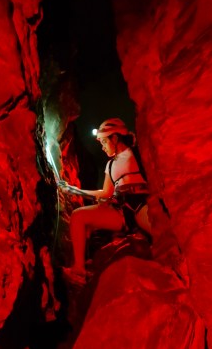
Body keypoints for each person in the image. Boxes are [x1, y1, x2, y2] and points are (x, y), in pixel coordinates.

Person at [58, 118, 151, 283]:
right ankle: (79, 269)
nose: (102, 147)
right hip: (121, 210)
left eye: (103, 141)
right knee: (78, 216)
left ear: (114, 138)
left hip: (141, 204)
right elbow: (105, 192)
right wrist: (73, 190)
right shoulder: (109, 165)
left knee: (159, 231)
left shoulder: (138, 153)